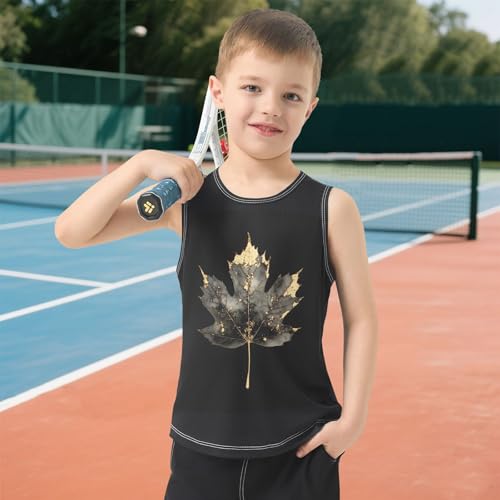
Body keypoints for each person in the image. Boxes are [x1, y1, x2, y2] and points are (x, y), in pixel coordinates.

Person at [54, 8, 378, 500]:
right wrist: (138, 165)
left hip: (300, 449)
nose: (270, 107)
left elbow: (362, 318)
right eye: (252, 87)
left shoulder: (332, 208)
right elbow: (71, 232)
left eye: (290, 95)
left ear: (309, 107)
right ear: (218, 92)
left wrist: (352, 422)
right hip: (199, 447)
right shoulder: (186, 203)